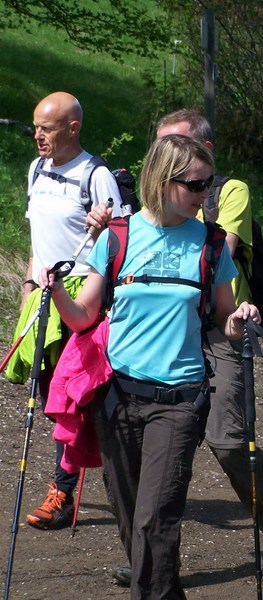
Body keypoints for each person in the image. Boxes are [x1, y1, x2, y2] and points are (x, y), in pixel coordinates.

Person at [40, 134, 259, 599]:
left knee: (155, 518)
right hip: (118, 399)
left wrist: (241, 319)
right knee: (130, 516)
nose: (205, 195)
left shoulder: (212, 244)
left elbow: (224, 322)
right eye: (196, 186)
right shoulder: (118, 237)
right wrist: (55, 289)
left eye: (208, 184)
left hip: (179, 401)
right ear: (163, 180)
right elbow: (82, 317)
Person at [156, 110, 263, 577]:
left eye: (177, 148)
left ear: (206, 152)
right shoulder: (145, 202)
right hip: (167, 330)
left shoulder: (229, 191)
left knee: (227, 441)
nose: (166, 161)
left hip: (224, 328)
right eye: (160, 150)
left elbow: (219, 243)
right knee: (156, 443)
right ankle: (151, 557)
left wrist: (170, 205)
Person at [4, 91, 124, 530]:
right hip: (43, 294)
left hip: (83, 298)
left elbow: (123, 244)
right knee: (48, 392)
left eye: (47, 127)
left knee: (70, 397)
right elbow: (39, 242)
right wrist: (28, 290)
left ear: (72, 128)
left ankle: (63, 491)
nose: (37, 135)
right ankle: (77, 481)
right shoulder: (36, 169)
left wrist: (105, 229)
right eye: (35, 126)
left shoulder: (97, 176)